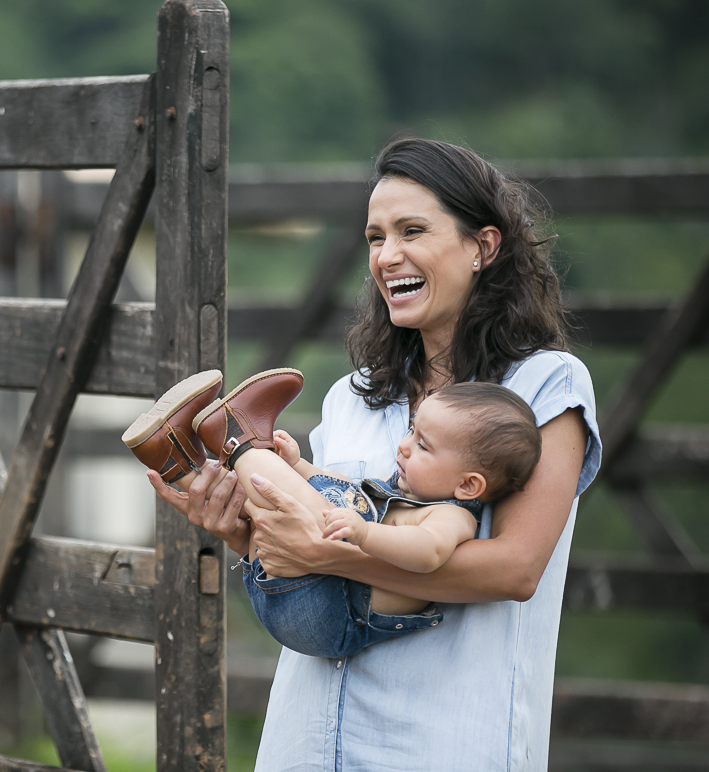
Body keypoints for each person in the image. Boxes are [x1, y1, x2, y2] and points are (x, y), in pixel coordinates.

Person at [146, 137, 601, 771]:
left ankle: (239, 436)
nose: (388, 256)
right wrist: (243, 535)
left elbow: (515, 570)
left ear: (483, 246)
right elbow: (307, 546)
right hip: (306, 741)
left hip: (441, 743)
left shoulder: (545, 385)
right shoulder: (352, 397)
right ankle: (225, 446)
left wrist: (329, 552)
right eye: (374, 237)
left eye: (412, 230)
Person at [127, 371, 543, 658]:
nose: (403, 445)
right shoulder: (401, 491)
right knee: (319, 500)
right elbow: (348, 489)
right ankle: (174, 458)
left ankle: (237, 440)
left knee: (325, 513)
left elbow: (427, 554)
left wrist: (363, 535)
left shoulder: (454, 518)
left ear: (468, 486)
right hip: (297, 588)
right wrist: (302, 468)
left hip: (329, 611)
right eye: (412, 430)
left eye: (423, 445)